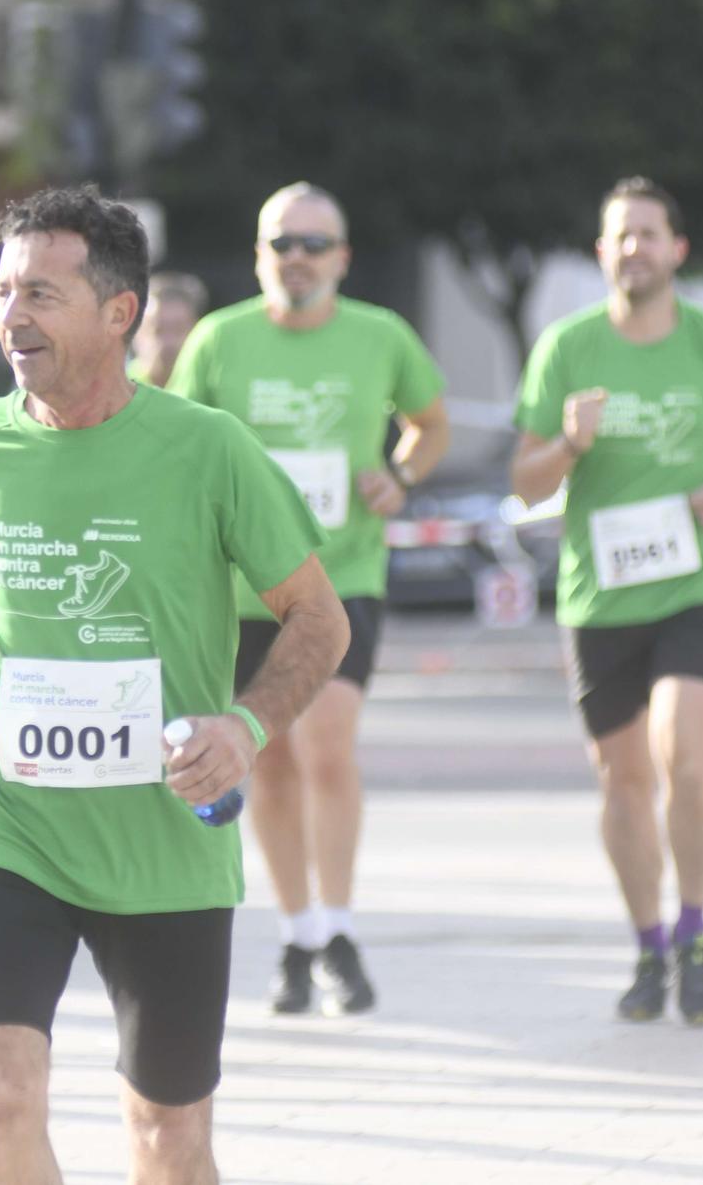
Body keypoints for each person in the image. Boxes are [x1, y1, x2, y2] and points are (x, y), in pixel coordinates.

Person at [0, 185, 348, 1184]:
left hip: (163, 838)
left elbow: (318, 616)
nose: (12, 315)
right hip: (9, 825)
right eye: (4, 291)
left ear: (117, 312)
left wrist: (246, 727)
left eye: (40, 292)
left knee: (166, 1137)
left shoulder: (207, 450)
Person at [509, 178, 703, 1026]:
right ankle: (648, 945)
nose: (634, 247)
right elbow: (525, 484)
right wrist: (569, 443)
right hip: (600, 599)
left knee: (690, 757)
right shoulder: (566, 346)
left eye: (648, 234)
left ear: (677, 249)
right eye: (619, 235)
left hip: (698, 585)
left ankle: (698, 930)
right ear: (602, 253)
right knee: (625, 782)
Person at [166, 181, 449, 1016]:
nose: (296, 259)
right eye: (280, 243)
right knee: (272, 759)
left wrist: (398, 476)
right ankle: (295, 934)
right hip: (241, 591)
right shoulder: (219, 341)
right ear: (259, 255)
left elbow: (430, 426)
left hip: (341, 577)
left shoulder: (381, 336)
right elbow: (181, 448)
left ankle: (339, 929)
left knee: (327, 741)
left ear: (343, 258)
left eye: (313, 245)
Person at [129, 271, 204, 388]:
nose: (168, 343)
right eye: (157, 330)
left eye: (178, 330)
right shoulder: (113, 391)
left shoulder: (211, 391)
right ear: (135, 333)